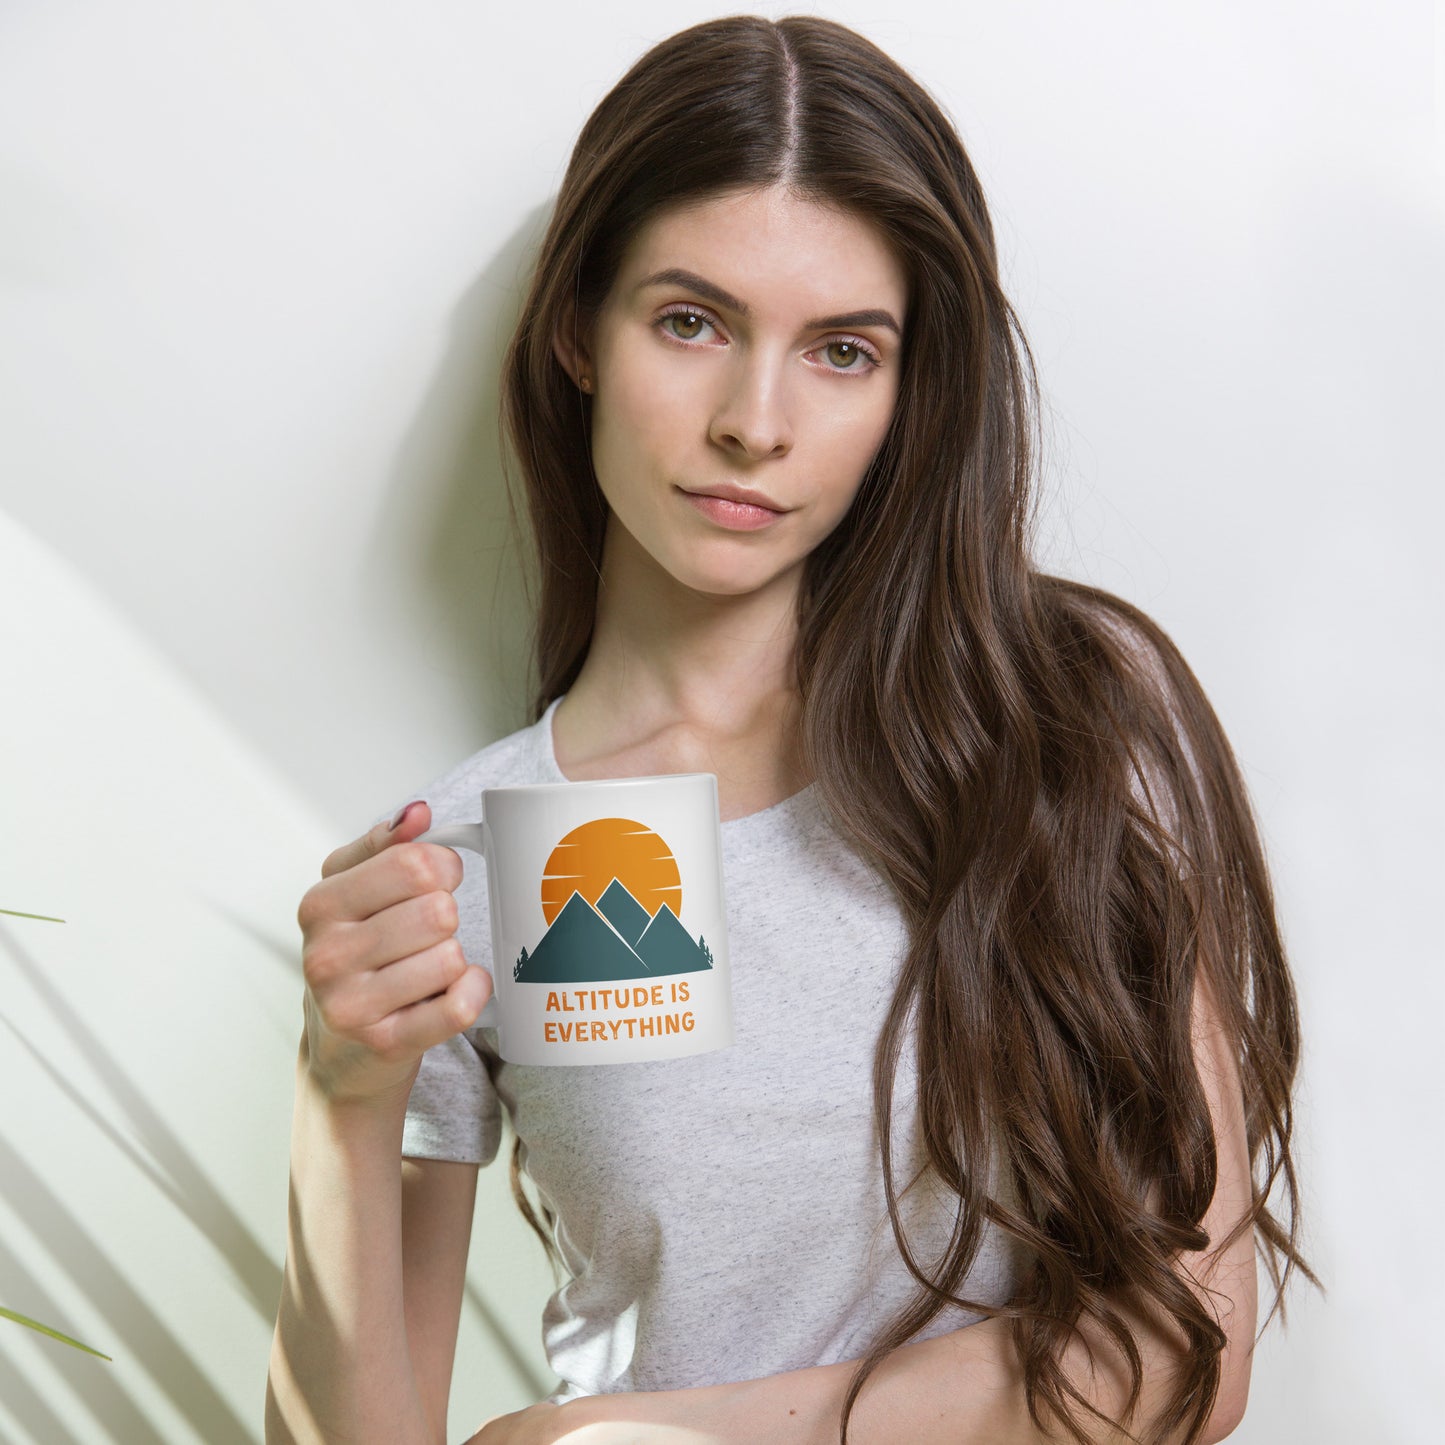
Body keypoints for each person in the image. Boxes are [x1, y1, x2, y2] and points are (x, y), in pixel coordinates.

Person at [264, 15, 1315, 1445]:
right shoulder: (464, 858)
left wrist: (627, 1438)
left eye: (840, 351)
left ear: (907, 390)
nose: (755, 422)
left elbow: (1177, 1353)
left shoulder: (1066, 716)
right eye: (689, 322)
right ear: (577, 328)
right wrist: (342, 1098)